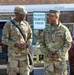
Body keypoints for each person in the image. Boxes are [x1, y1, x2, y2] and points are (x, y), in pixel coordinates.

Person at [39, 10, 72, 75]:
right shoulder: (46, 30)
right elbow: (41, 43)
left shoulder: (64, 29)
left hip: (60, 61)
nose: (49, 18)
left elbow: (68, 43)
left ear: (56, 17)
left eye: (51, 16)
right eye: (48, 16)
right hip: (48, 61)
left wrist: (58, 54)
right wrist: (47, 53)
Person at [2, 6, 33, 75]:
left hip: (24, 56)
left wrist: (27, 44)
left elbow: (30, 37)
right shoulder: (8, 25)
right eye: (22, 14)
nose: (24, 15)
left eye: (24, 14)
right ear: (16, 14)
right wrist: (15, 44)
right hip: (13, 56)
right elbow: (4, 39)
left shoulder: (26, 24)